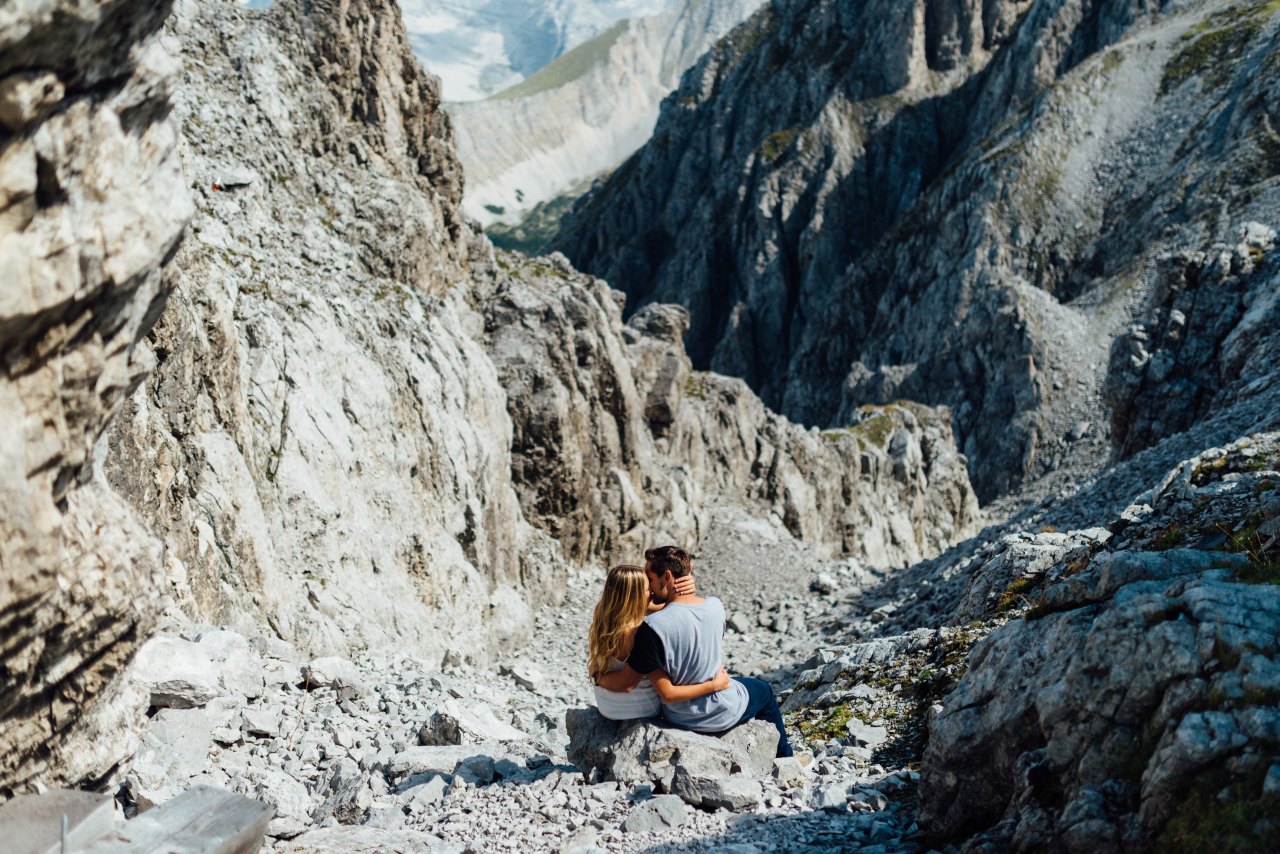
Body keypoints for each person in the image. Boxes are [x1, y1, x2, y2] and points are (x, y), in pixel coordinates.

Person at [596, 546, 793, 757]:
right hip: (720, 710)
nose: (651, 591)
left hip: (677, 716)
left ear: (668, 577)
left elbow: (665, 617)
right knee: (763, 690)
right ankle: (786, 757)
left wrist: (597, 676)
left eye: (651, 580)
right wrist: (714, 684)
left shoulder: (650, 628)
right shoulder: (716, 606)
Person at [588, 564, 731, 720]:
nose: (653, 593)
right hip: (636, 710)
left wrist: (681, 588)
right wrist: (714, 685)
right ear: (635, 597)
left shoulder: (604, 614)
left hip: (607, 705)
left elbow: (672, 608)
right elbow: (627, 684)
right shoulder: (635, 633)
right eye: (649, 589)